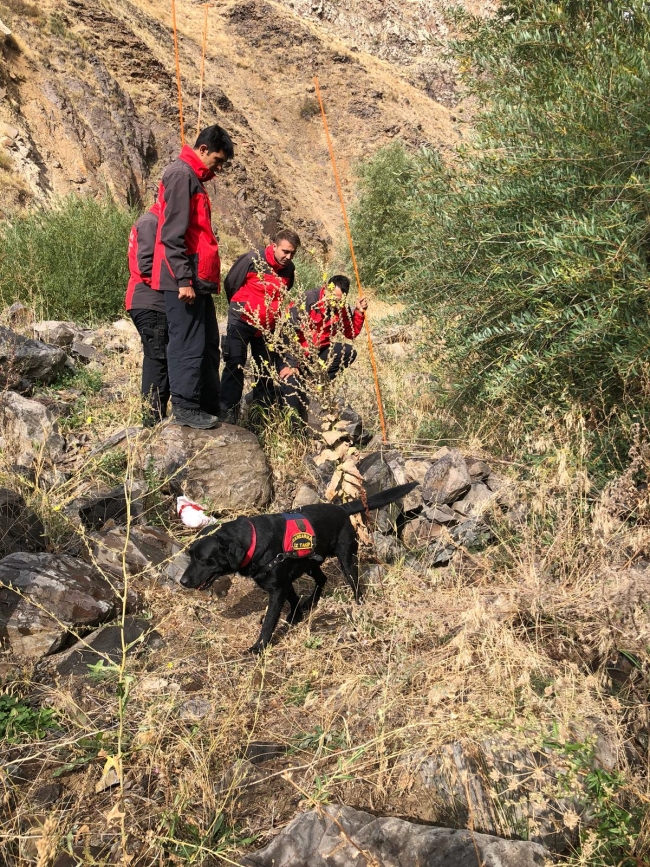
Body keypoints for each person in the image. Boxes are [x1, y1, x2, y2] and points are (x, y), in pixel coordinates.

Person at [151, 124, 234, 429]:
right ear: (202, 150)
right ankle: (185, 408)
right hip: (183, 279)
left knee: (208, 342)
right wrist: (183, 280)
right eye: (218, 160)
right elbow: (171, 234)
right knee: (187, 342)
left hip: (195, 279)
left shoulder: (193, 178)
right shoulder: (180, 175)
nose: (220, 167)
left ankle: (207, 404)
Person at [218, 230, 301, 424]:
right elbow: (231, 284)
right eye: (285, 251)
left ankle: (259, 415)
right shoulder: (251, 259)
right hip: (241, 321)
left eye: (292, 253)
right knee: (235, 363)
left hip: (266, 328)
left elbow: (284, 294)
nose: (288, 257)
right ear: (274, 246)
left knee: (264, 368)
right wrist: (243, 306)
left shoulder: (289, 270)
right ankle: (228, 413)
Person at [125, 202, 169, 426]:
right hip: (150, 303)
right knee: (157, 358)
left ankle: (154, 415)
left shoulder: (148, 221)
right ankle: (152, 419)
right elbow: (146, 266)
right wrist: (177, 285)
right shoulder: (151, 223)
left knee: (159, 356)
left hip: (145, 301)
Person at [289, 275, 368, 379]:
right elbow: (289, 332)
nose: (334, 303)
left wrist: (358, 312)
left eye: (339, 301)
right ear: (326, 288)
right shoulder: (308, 299)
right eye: (332, 297)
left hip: (318, 351)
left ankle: (316, 384)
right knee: (289, 384)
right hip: (295, 353)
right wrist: (292, 363)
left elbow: (351, 333)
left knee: (348, 352)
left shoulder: (341, 308)